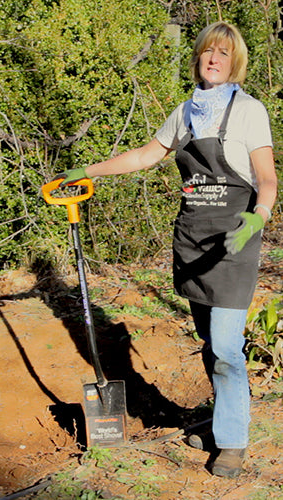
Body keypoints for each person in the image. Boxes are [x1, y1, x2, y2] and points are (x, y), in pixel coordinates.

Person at [53, 21, 278, 478]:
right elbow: (143, 156)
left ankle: (233, 442)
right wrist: (87, 171)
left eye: (223, 53)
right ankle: (220, 420)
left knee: (227, 348)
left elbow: (268, 179)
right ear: (197, 59)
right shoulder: (186, 112)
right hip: (193, 241)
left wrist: (260, 215)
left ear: (235, 62)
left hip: (233, 243)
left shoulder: (250, 110)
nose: (213, 58)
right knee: (209, 346)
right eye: (206, 52)